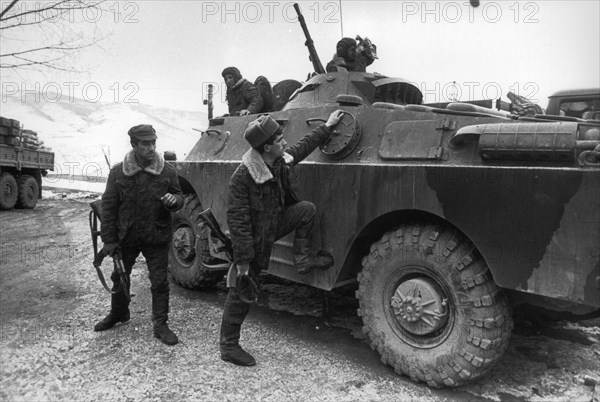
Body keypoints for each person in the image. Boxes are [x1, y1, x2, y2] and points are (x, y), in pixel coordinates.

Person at [220, 110, 344, 366]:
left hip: (272, 224)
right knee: (241, 289)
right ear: (267, 147)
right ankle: (228, 346)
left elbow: (300, 148)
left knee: (306, 210)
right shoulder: (243, 178)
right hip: (254, 240)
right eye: (279, 140)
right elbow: (238, 222)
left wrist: (327, 127)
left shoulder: (277, 161)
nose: (284, 142)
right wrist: (243, 260)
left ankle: (302, 260)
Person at [94, 124, 184, 346]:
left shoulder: (168, 171)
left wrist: (175, 201)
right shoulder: (118, 172)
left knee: (160, 282)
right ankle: (119, 313)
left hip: (156, 235)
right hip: (127, 237)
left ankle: (160, 324)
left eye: (153, 143)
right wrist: (109, 240)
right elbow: (109, 208)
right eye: (145, 144)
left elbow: (179, 195)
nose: (151, 148)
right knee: (119, 277)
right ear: (134, 145)